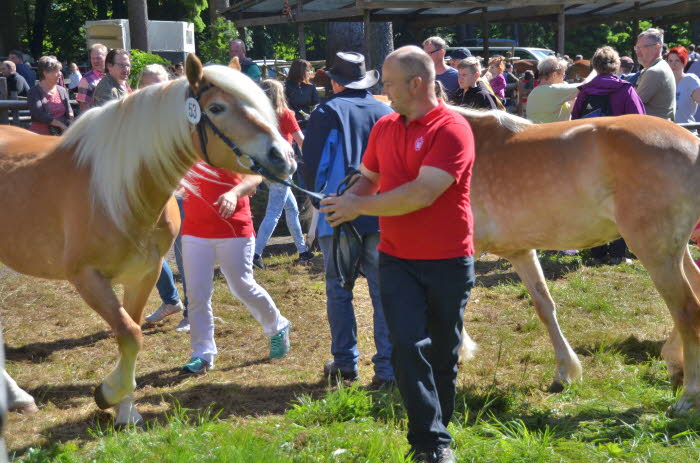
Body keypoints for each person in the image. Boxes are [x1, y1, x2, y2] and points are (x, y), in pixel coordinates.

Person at [319, 45, 476, 463]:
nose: (383, 92)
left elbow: (423, 193)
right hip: (397, 258)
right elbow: (369, 177)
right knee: (407, 347)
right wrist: (343, 202)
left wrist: (357, 207)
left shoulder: (452, 129)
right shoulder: (386, 127)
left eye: (388, 84)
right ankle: (429, 444)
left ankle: (439, 426)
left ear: (416, 84)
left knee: (443, 352)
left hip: (447, 258)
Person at [302, 51, 394, 386]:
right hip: (381, 212)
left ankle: (345, 362)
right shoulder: (386, 111)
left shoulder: (326, 111)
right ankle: (387, 368)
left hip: (338, 212)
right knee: (382, 291)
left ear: (336, 81)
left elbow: (312, 166)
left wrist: (311, 193)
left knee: (339, 289)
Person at [180, 162, 291, 374]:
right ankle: (202, 353)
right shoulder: (185, 145)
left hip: (234, 228)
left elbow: (255, 177)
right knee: (196, 294)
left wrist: (233, 193)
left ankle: (278, 326)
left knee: (241, 285)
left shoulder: (231, 141)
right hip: (195, 231)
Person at [571, 46, 645, 265]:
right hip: (619, 156)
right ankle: (618, 254)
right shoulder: (625, 90)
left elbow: (575, 122)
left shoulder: (584, 91)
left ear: (594, 65)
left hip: (590, 155)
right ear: (616, 65)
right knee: (623, 204)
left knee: (594, 202)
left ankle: (596, 252)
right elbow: (640, 122)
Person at [253, 79, 314, 268]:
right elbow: (302, 141)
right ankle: (255, 254)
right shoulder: (286, 114)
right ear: (279, 95)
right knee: (274, 212)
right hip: (283, 166)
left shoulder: (257, 117)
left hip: (266, 166)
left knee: (292, 209)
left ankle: (303, 251)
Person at [634, 28, 676, 120]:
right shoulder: (659, 67)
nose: (637, 51)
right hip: (657, 130)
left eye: (642, 47)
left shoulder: (654, 71)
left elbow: (633, 105)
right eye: (636, 47)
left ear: (656, 47)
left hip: (654, 132)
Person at [27, 56, 73, 135]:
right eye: (56, 71)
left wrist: (71, 122)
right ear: (45, 73)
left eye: (60, 71)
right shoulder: (34, 92)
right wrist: (60, 124)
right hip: (41, 135)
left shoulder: (62, 90)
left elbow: (69, 109)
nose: (60, 74)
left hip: (63, 132)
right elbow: (39, 114)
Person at [526, 56, 580, 123]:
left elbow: (568, 109)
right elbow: (585, 85)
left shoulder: (535, 91)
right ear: (554, 75)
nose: (564, 77)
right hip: (553, 133)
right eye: (563, 74)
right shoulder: (553, 90)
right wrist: (594, 71)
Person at [667, 46, 700, 126]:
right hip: (666, 133)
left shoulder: (690, 80)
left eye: (677, 61)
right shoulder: (664, 81)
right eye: (670, 61)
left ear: (684, 62)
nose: (673, 64)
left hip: (686, 131)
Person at [284, 59, 320, 129]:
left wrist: (314, 112)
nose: (310, 72)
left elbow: (316, 103)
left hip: (308, 121)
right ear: (299, 71)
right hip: (292, 122)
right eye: (307, 70)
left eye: (310, 70)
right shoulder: (285, 87)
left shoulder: (310, 86)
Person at [76, 43, 107, 112]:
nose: (95, 61)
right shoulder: (86, 80)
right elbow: (84, 108)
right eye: (93, 58)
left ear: (106, 57)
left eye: (98, 58)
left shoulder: (113, 75)